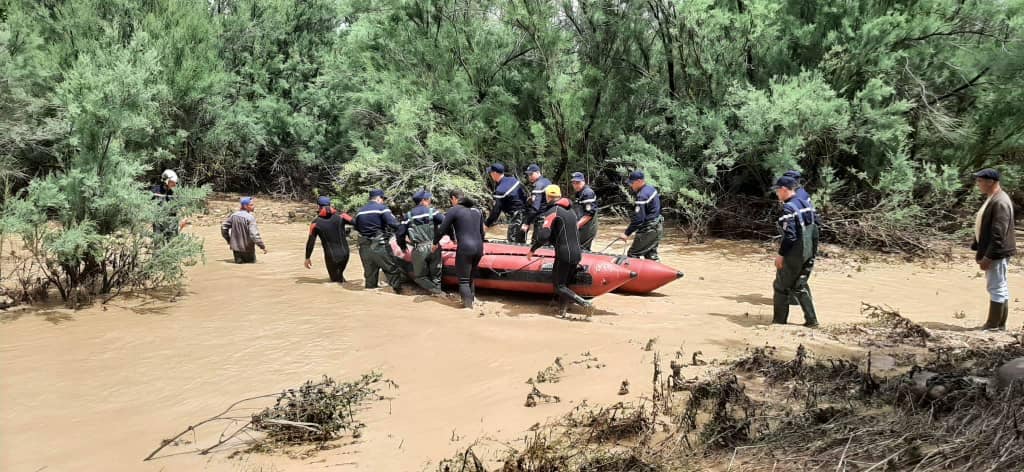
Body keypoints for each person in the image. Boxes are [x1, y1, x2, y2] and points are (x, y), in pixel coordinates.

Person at [528, 185, 591, 317]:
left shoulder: (553, 211)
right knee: (565, 283)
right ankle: (562, 310)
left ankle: (584, 303)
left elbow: (544, 236)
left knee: (559, 286)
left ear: (548, 196)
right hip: (577, 253)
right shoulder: (572, 211)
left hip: (564, 254)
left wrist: (533, 249)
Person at [970, 168, 1016, 330]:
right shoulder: (994, 198)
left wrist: (988, 257)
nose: (978, 184)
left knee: (995, 287)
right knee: (999, 285)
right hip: (995, 251)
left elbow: (998, 234)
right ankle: (999, 324)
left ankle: (993, 325)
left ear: (991, 182)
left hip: (996, 252)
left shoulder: (1000, 201)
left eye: (980, 181)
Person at [770, 175, 819, 328]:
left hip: (795, 253)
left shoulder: (788, 208)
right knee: (800, 284)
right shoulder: (805, 201)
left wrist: (781, 255)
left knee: (780, 287)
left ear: (784, 190)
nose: (777, 194)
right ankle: (812, 321)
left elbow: (790, 236)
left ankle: (778, 323)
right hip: (809, 250)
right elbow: (816, 226)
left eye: (777, 191)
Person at [434, 189, 486, 308]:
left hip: (466, 248)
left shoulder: (454, 210)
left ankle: (468, 309)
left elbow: (442, 229)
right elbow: (482, 233)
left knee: (463, 280)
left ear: (454, 199)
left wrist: (435, 243)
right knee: (470, 278)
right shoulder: (477, 210)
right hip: (479, 248)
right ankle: (472, 301)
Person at [354, 189, 405, 292]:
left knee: (370, 274)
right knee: (392, 269)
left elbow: (357, 227)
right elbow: (394, 224)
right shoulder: (382, 208)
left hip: (364, 247)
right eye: (382, 199)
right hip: (379, 245)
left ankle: (371, 292)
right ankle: (398, 293)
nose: (383, 201)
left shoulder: (360, 211)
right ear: (378, 198)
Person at [396, 189, 445, 294]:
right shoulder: (433, 212)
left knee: (419, 276)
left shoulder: (408, 216)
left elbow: (400, 234)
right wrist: (452, 237)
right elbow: (446, 223)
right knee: (436, 275)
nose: (430, 201)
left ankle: (436, 293)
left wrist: (403, 247)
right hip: (434, 246)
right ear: (423, 201)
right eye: (428, 199)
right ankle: (438, 294)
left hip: (419, 248)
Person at [304, 196, 354, 283]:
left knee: (335, 281)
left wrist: (307, 257)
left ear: (318, 206)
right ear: (330, 204)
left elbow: (311, 242)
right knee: (340, 278)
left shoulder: (315, 223)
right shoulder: (342, 216)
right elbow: (357, 223)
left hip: (331, 256)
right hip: (345, 253)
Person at [620, 171, 663, 260]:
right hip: (657, 227)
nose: (631, 186)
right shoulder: (651, 189)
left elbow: (638, 220)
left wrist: (626, 233)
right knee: (650, 255)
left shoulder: (642, 196)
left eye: (632, 183)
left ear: (639, 181)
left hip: (649, 229)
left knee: (633, 254)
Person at [484, 163, 528, 243]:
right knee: (521, 242)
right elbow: (525, 195)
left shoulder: (501, 189)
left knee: (513, 242)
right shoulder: (513, 180)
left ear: (494, 174)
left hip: (517, 216)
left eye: (490, 173)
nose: (490, 175)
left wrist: (486, 225)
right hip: (525, 215)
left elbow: (496, 211)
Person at [221, 196, 267, 263]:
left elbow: (223, 227)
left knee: (238, 269)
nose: (253, 206)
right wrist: (262, 246)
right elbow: (254, 235)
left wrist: (229, 240)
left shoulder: (233, 216)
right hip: (248, 249)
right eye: (251, 205)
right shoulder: (250, 218)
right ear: (245, 206)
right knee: (251, 269)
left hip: (236, 249)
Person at [151, 169, 189, 240]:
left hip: (172, 222)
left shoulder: (176, 192)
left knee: (172, 245)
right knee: (158, 245)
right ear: (166, 181)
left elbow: (182, 205)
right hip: (158, 223)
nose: (174, 184)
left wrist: (185, 217)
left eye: (175, 182)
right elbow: (147, 204)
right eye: (172, 182)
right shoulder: (155, 190)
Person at [523, 164, 552, 244]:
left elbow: (535, 208)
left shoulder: (539, 185)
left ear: (538, 172)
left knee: (537, 244)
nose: (530, 176)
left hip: (542, 219)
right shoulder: (547, 182)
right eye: (528, 174)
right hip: (550, 217)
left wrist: (526, 223)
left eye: (531, 174)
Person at [570, 172, 598, 251]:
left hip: (588, 226)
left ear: (583, 181)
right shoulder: (579, 193)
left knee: (582, 249)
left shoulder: (587, 193)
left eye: (578, 183)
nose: (576, 185)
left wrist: (577, 225)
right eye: (574, 183)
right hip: (582, 224)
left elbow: (589, 214)